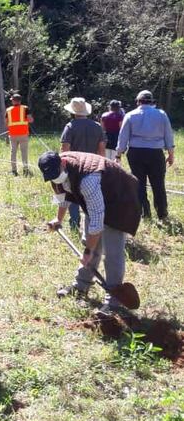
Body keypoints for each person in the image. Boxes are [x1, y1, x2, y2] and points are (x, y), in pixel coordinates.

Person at [38, 151, 141, 317]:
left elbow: (97, 219)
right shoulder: (55, 172)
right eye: (51, 177)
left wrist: (88, 252)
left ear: (63, 164)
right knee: (90, 243)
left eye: (56, 174)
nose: (55, 178)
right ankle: (81, 285)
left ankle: (113, 299)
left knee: (112, 252)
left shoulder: (88, 178)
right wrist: (58, 219)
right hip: (95, 201)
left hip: (119, 201)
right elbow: (62, 194)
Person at [116, 90, 175, 220]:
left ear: (138, 102)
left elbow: (123, 136)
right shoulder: (161, 114)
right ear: (151, 101)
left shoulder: (131, 115)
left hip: (136, 152)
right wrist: (171, 154)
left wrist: (119, 154)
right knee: (158, 183)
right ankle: (162, 213)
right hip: (155, 153)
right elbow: (168, 135)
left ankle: (144, 212)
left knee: (139, 183)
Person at [60, 97, 106, 229]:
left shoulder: (70, 126)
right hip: (93, 166)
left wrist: (63, 167)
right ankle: (90, 225)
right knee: (91, 197)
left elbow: (64, 149)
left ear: (73, 112)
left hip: (74, 167)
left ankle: (74, 223)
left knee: (72, 194)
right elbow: (101, 149)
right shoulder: (97, 127)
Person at [6, 94, 34, 176]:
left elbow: (6, 122)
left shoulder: (8, 110)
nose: (11, 101)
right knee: (24, 152)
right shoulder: (25, 108)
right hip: (23, 134)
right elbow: (30, 120)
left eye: (12, 100)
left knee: (13, 152)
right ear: (20, 101)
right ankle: (25, 170)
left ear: (14, 101)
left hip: (13, 134)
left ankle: (14, 171)